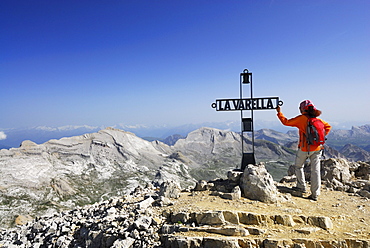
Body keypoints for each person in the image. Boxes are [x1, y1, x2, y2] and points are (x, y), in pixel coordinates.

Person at [276, 100, 331, 201]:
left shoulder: (302, 119)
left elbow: (286, 122)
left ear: (302, 109)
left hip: (305, 148)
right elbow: (327, 127)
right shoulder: (316, 119)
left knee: (298, 166)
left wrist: (279, 112)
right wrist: (318, 138)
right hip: (318, 148)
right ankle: (315, 194)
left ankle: (301, 187)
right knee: (315, 171)